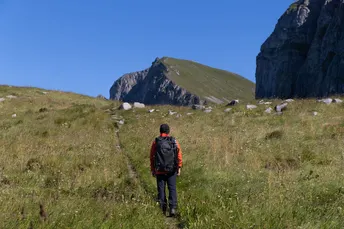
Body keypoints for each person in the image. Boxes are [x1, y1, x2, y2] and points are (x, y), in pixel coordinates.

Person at [150, 124, 183, 217]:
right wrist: (179, 167)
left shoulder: (156, 142)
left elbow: (152, 157)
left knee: (161, 189)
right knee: (172, 188)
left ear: (160, 131)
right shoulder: (174, 141)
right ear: (168, 131)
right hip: (171, 170)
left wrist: (153, 169)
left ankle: (163, 209)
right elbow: (179, 154)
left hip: (159, 170)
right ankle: (172, 208)